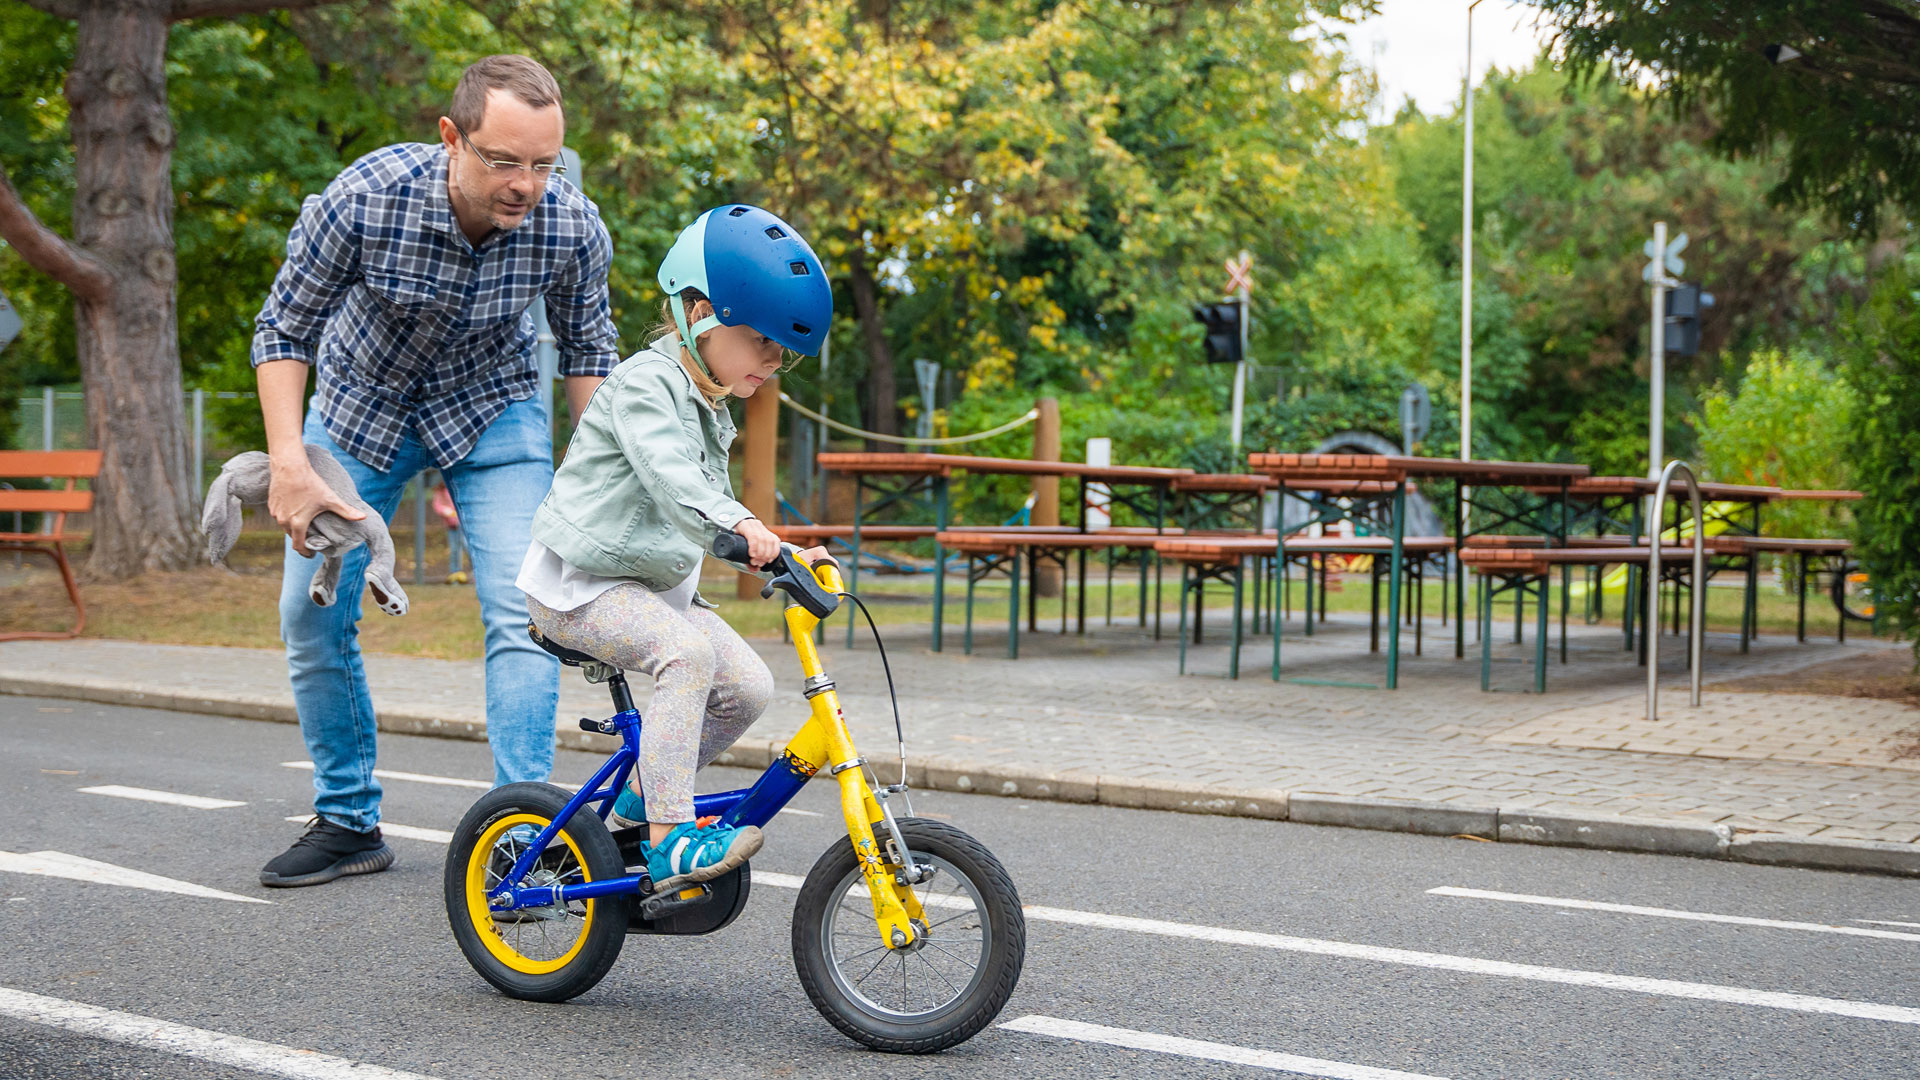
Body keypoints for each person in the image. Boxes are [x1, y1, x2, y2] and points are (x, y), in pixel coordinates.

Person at [249, 55, 619, 887]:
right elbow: (283, 331)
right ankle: (347, 820)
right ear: (452, 138)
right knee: (308, 616)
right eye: (503, 161)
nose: (525, 185)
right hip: (359, 409)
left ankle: (525, 835)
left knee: (527, 611)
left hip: (491, 408)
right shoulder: (366, 197)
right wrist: (286, 465)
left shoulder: (570, 226)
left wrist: (606, 485)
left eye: (543, 164)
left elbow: (592, 352)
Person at [518, 203, 833, 888]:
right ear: (700, 315)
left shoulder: (707, 400)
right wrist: (746, 530)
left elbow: (709, 509)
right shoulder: (644, 386)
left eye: (785, 352)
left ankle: (638, 800)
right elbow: (674, 480)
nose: (774, 363)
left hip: (644, 590)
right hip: (578, 589)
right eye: (762, 342)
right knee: (683, 654)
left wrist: (787, 550)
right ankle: (668, 841)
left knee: (748, 687)